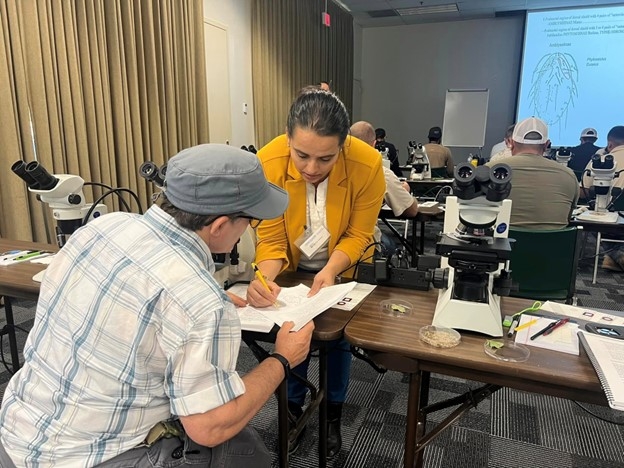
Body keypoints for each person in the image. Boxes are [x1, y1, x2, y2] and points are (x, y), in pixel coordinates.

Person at [0, 145, 315, 467]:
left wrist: (197, 305)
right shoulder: (198, 300)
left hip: (17, 432)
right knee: (247, 452)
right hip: (91, 457)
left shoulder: (103, 227)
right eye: (250, 221)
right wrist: (283, 358)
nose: (249, 229)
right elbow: (209, 427)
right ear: (220, 226)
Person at [246, 87, 385, 457]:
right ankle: (293, 407)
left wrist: (331, 269)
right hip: (290, 266)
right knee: (291, 329)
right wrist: (265, 277)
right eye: (302, 155)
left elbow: (360, 233)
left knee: (336, 336)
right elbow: (272, 236)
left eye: (325, 158)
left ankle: (331, 412)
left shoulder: (368, 164)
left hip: (340, 264)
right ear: (287, 138)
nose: (311, 168)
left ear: (344, 146)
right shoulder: (268, 161)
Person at [488, 117, 579, 230]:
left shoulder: (489, 170)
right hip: (553, 246)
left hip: (500, 245)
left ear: (511, 143)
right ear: (546, 145)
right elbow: (568, 217)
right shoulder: (569, 176)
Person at [352, 121, 419, 253]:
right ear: (374, 144)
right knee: (392, 248)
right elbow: (411, 210)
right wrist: (405, 190)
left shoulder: (332, 167)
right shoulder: (380, 173)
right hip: (363, 244)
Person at [581, 125, 624, 271]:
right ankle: (616, 254)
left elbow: (582, 191)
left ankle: (615, 254)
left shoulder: (600, 160)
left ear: (610, 144)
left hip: (607, 219)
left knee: (590, 216)